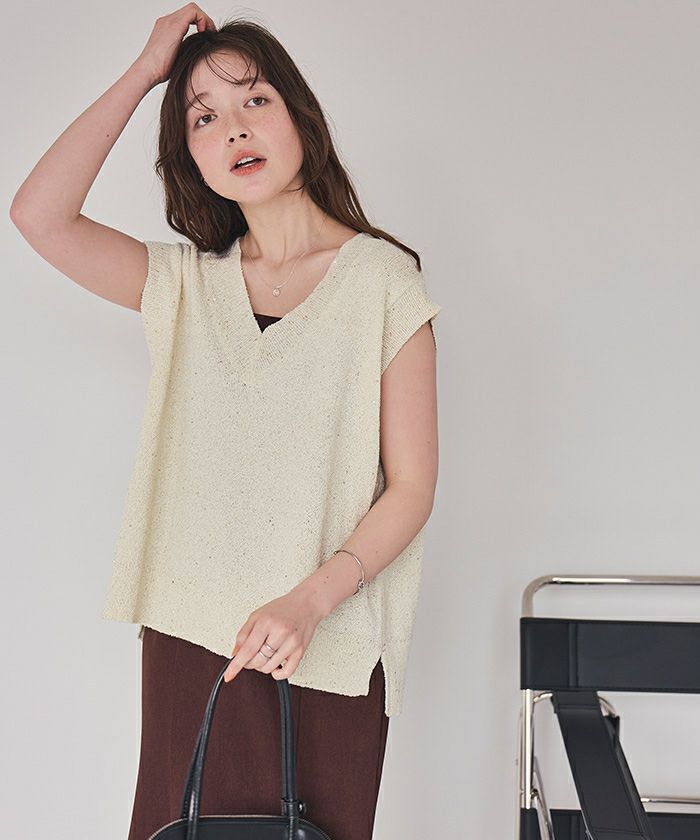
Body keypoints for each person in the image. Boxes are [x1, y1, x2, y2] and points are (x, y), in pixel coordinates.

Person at [10, 6, 443, 839]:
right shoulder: (184, 287)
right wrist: (147, 72)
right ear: (191, 159)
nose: (234, 128)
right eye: (203, 118)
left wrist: (308, 603)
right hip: (190, 635)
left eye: (254, 100)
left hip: (326, 646)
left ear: (300, 116)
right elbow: (38, 215)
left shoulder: (383, 283)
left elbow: (413, 487)